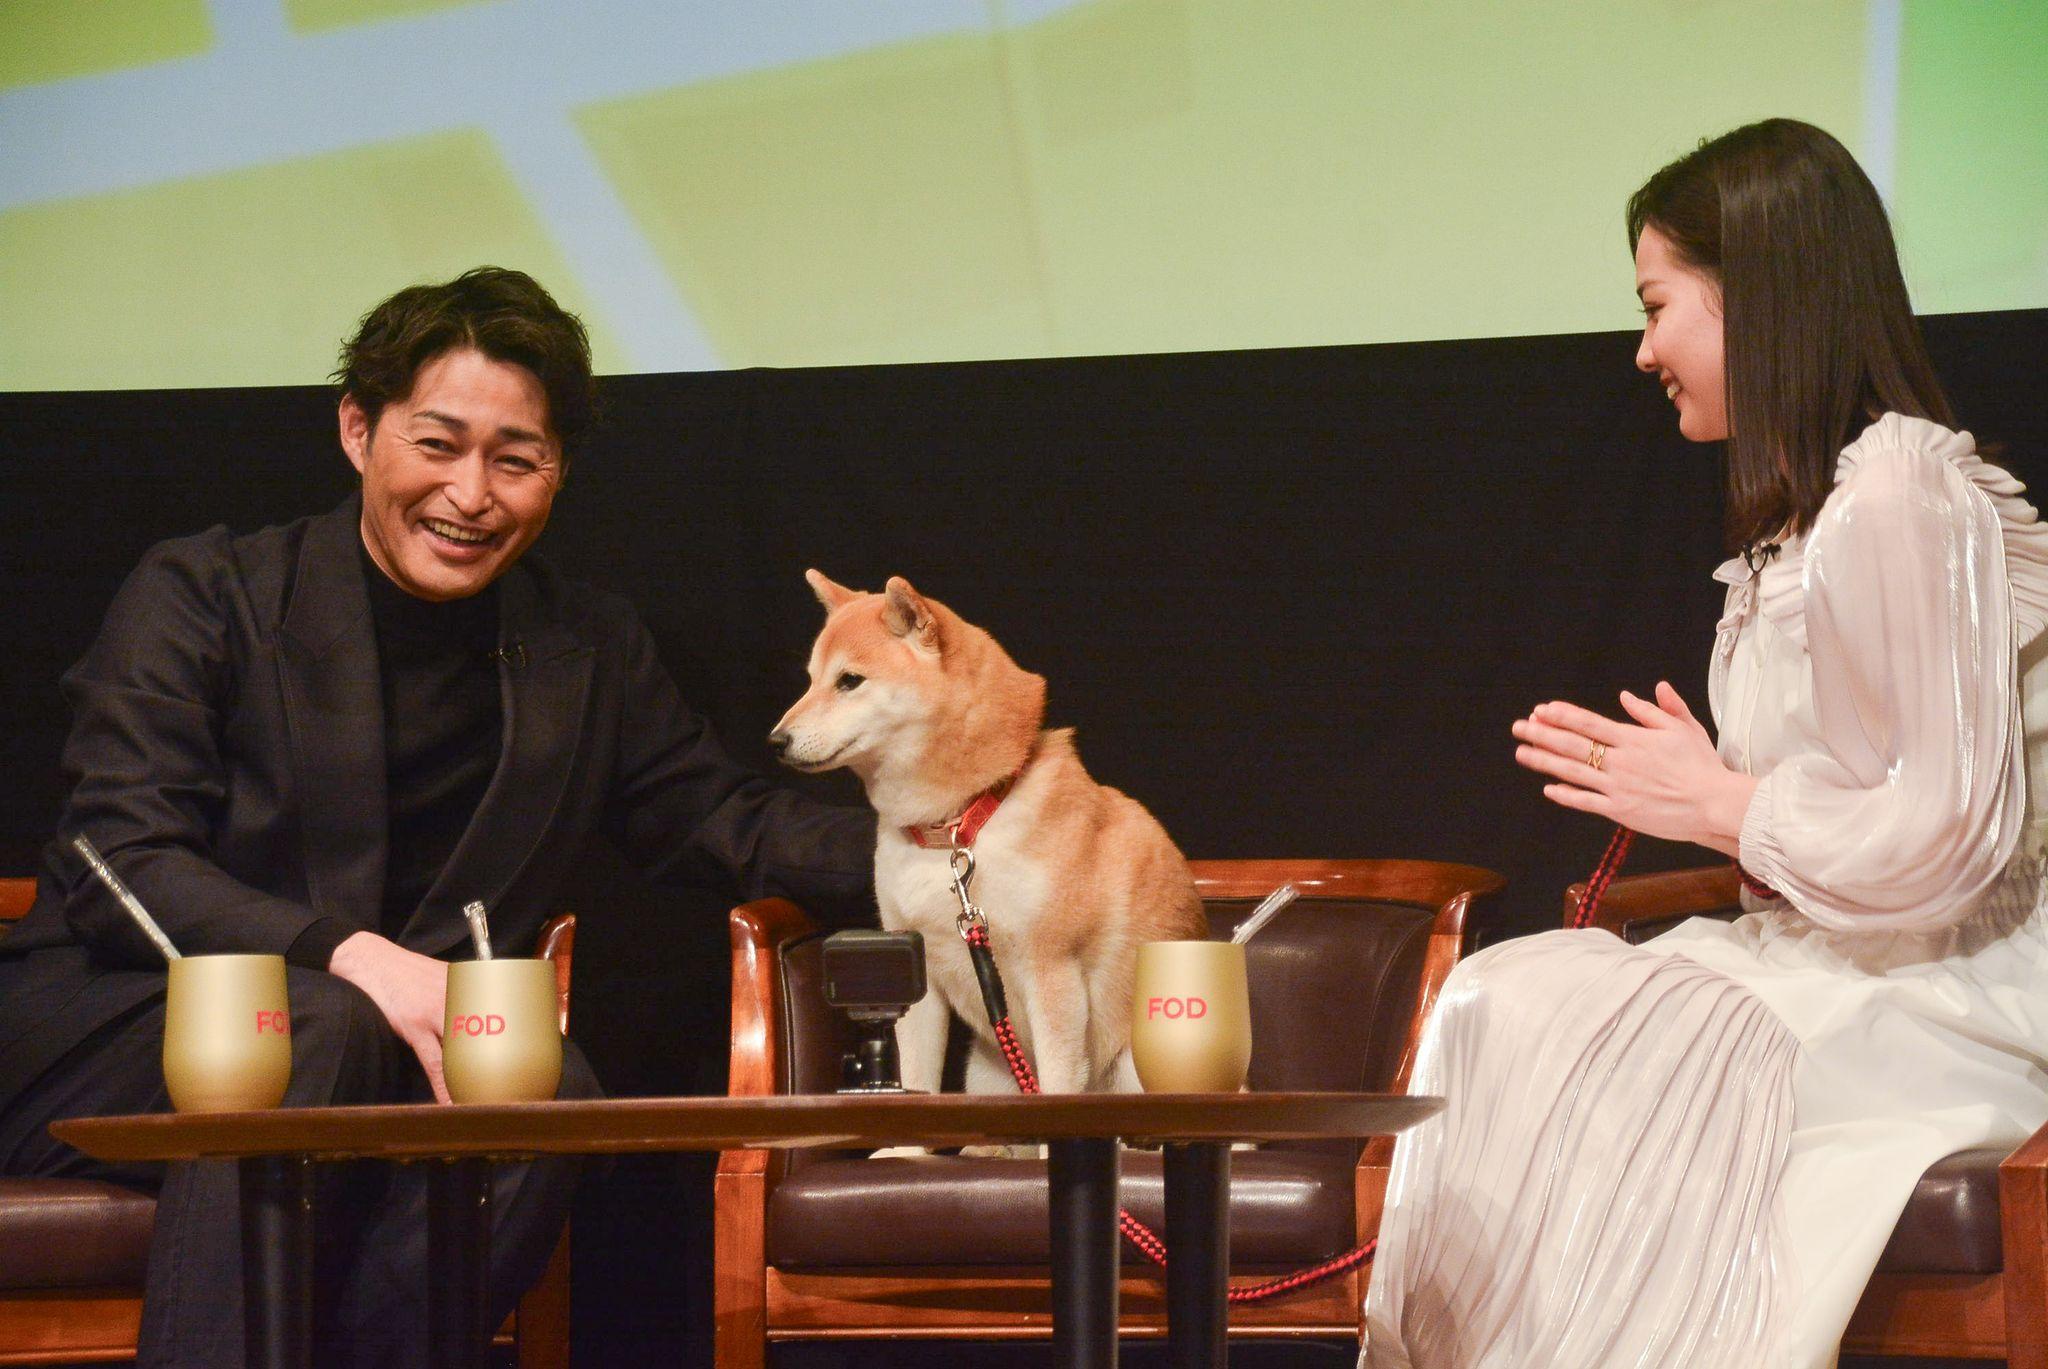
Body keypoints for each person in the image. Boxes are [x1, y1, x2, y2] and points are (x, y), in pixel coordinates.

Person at [0, 267, 877, 1366]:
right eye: (437, 444)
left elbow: (719, 819)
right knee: (303, 1027)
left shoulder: (583, 645)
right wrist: (346, 956)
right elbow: (117, 860)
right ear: (358, 430)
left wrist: (959, 845)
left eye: (515, 459)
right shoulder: (206, 594)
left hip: (383, 1056)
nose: (471, 494)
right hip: (101, 1038)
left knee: (545, 1081)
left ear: (556, 473)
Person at [1362, 119, 2048, 1367]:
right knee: (1501, 1000)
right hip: (1848, 962)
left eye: (1657, 303)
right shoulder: (1811, 521)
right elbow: (1843, 804)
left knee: (1579, 1040)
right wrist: (1720, 795)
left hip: (1957, 990)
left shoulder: (1902, 495)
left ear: (1756, 296)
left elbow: (1946, 839)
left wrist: (1722, 805)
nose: (1642, 349)